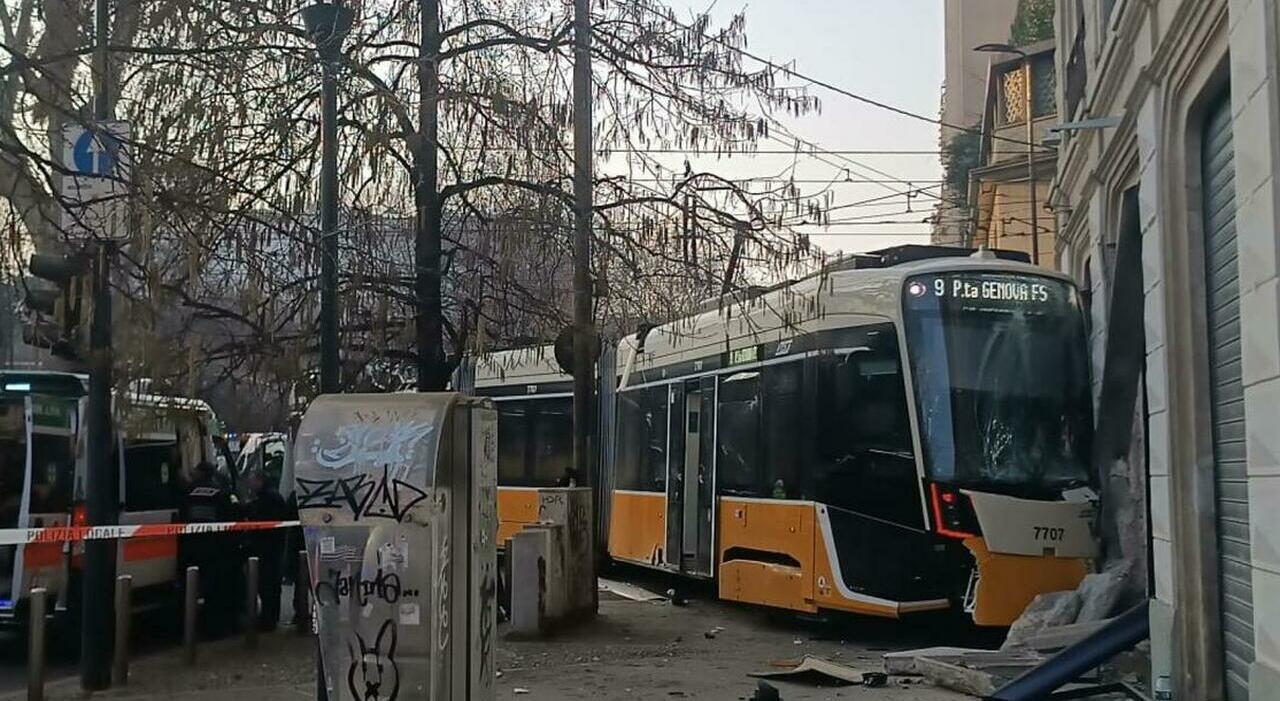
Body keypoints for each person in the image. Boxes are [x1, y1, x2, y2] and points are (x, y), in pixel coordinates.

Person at [181, 460, 239, 637]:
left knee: (194, 587)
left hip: (193, 547)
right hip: (216, 548)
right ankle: (215, 628)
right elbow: (233, 514)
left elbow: (182, 515)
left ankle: (196, 627)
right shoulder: (221, 492)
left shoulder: (188, 491)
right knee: (216, 590)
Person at [244, 469, 289, 631]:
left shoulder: (267, 499)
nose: (249, 483)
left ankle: (268, 620)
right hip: (271, 547)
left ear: (259, 481)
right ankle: (269, 618)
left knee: (268, 584)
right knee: (269, 585)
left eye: (251, 480)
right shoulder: (270, 496)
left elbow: (262, 520)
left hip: (268, 548)